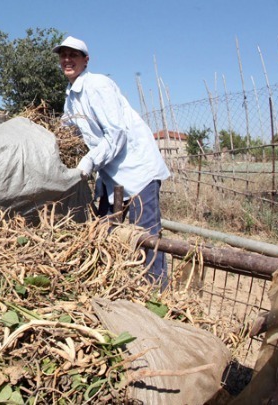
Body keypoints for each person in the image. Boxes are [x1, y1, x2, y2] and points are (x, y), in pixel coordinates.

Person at [53, 36, 171, 288]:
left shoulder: (98, 85)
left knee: (145, 236)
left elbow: (116, 133)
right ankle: (113, 283)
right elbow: (66, 130)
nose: (67, 60)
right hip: (111, 175)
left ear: (86, 60)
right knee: (102, 231)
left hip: (137, 170)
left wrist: (86, 163)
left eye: (73, 55)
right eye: (63, 55)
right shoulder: (72, 96)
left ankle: (158, 294)